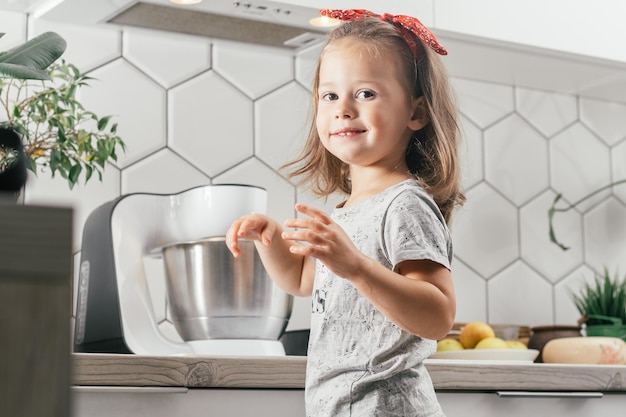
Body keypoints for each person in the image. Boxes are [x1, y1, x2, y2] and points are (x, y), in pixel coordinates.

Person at [226, 8, 465, 417]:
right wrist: (270, 239)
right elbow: (303, 280)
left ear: (416, 113)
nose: (343, 109)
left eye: (366, 93)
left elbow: (438, 315)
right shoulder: (348, 210)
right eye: (330, 95)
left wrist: (355, 265)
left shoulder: (405, 204)